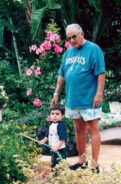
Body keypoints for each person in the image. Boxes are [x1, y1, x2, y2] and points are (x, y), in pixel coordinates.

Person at [51, 23, 105, 173]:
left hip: (89, 99)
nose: (72, 40)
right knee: (78, 130)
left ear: (82, 34)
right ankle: (82, 160)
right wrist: (56, 94)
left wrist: (99, 94)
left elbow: (101, 73)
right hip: (72, 100)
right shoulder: (68, 53)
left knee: (93, 129)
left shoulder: (93, 49)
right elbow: (61, 75)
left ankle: (94, 164)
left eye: (74, 37)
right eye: (69, 38)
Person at [39, 103, 68, 169]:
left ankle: (60, 177)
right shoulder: (52, 125)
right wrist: (43, 141)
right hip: (54, 149)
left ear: (62, 115)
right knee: (53, 164)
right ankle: (55, 175)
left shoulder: (61, 126)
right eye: (52, 114)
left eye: (57, 114)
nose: (54, 116)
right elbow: (47, 136)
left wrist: (57, 147)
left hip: (60, 149)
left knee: (60, 166)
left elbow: (62, 139)